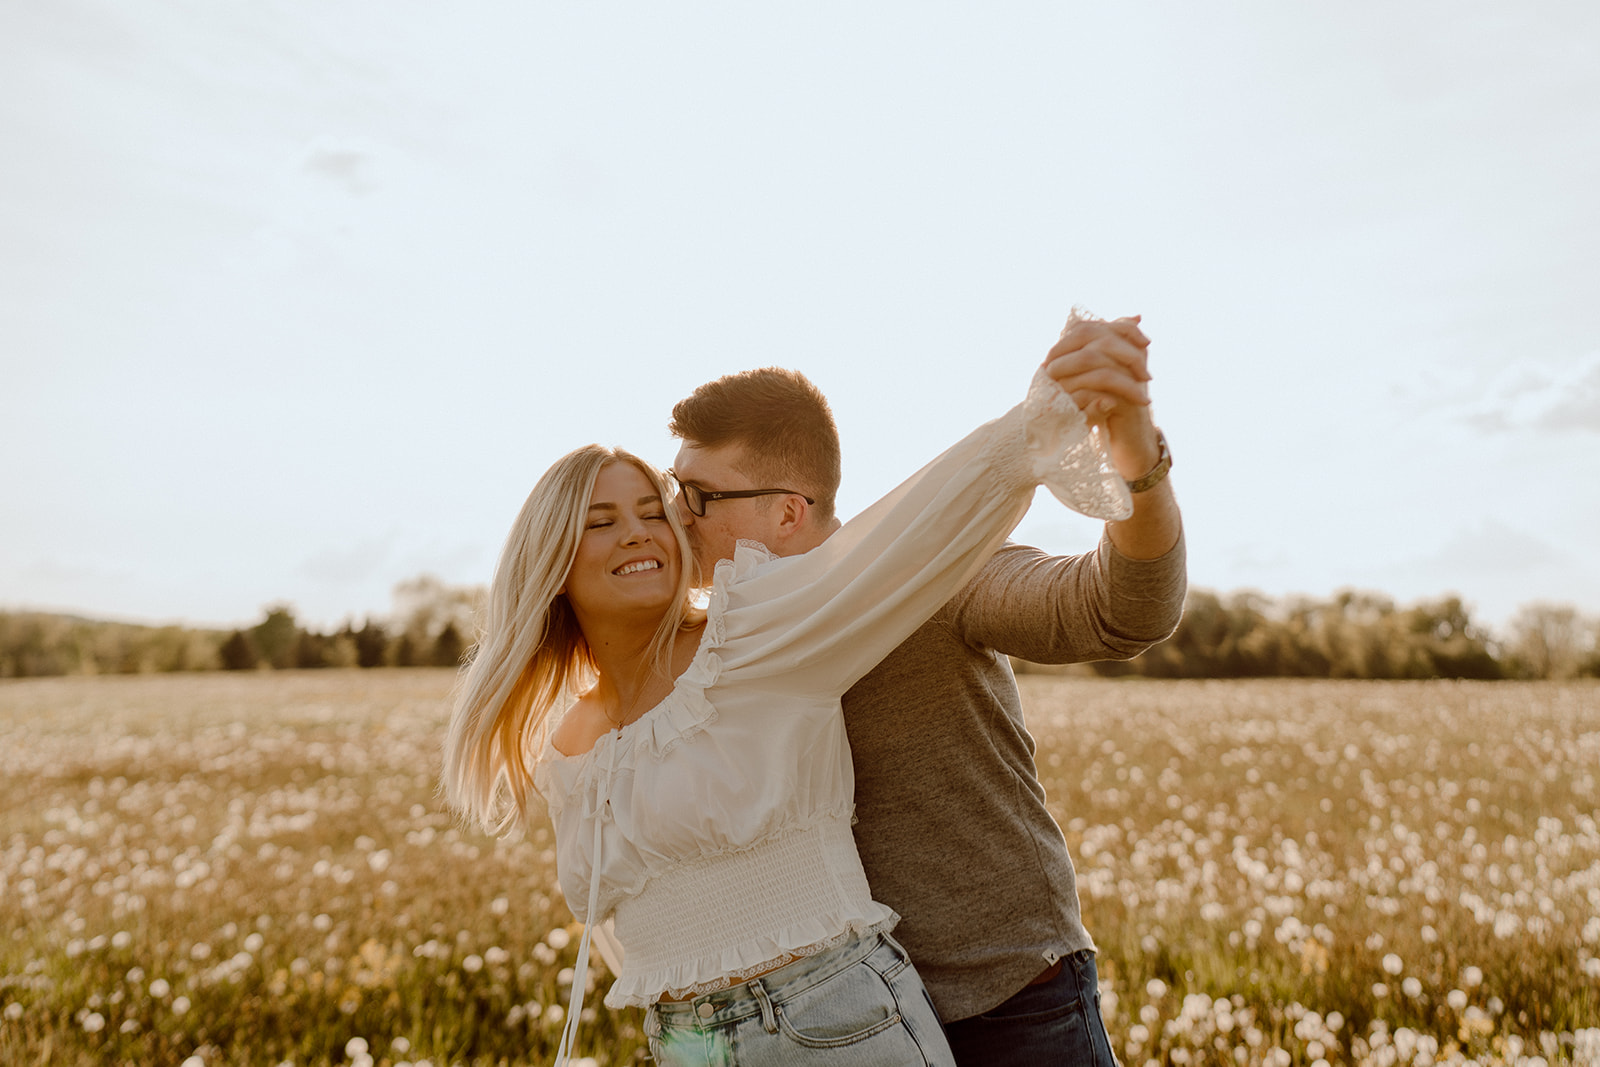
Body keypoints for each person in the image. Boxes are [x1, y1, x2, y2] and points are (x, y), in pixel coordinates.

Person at [440, 313, 1144, 1067]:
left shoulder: (765, 628)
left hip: (925, 999)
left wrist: (1046, 427)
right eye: (607, 519)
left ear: (786, 508)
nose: (664, 524)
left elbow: (943, 536)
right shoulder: (576, 737)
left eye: (673, 502)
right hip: (699, 1041)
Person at [666, 314, 1184, 1066]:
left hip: (1009, 1001)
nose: (674, 516)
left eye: (697, 496)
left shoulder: (922, 566)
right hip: (845, 1028)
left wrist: (1136, 456)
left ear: (786, 510)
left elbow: (1121, 609)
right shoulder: (709, 646)